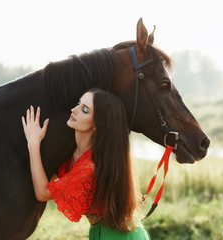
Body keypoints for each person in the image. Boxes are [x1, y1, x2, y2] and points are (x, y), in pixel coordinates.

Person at [22, 88, 151, 240]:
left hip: (119, 235)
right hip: (102, 231)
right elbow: (52, 184)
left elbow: (43, 193)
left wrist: (33, 144)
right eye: (78, 103)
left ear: (97, 124)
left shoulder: (89, 167)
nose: (74, 110)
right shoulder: (77, 155)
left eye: (84, 110)